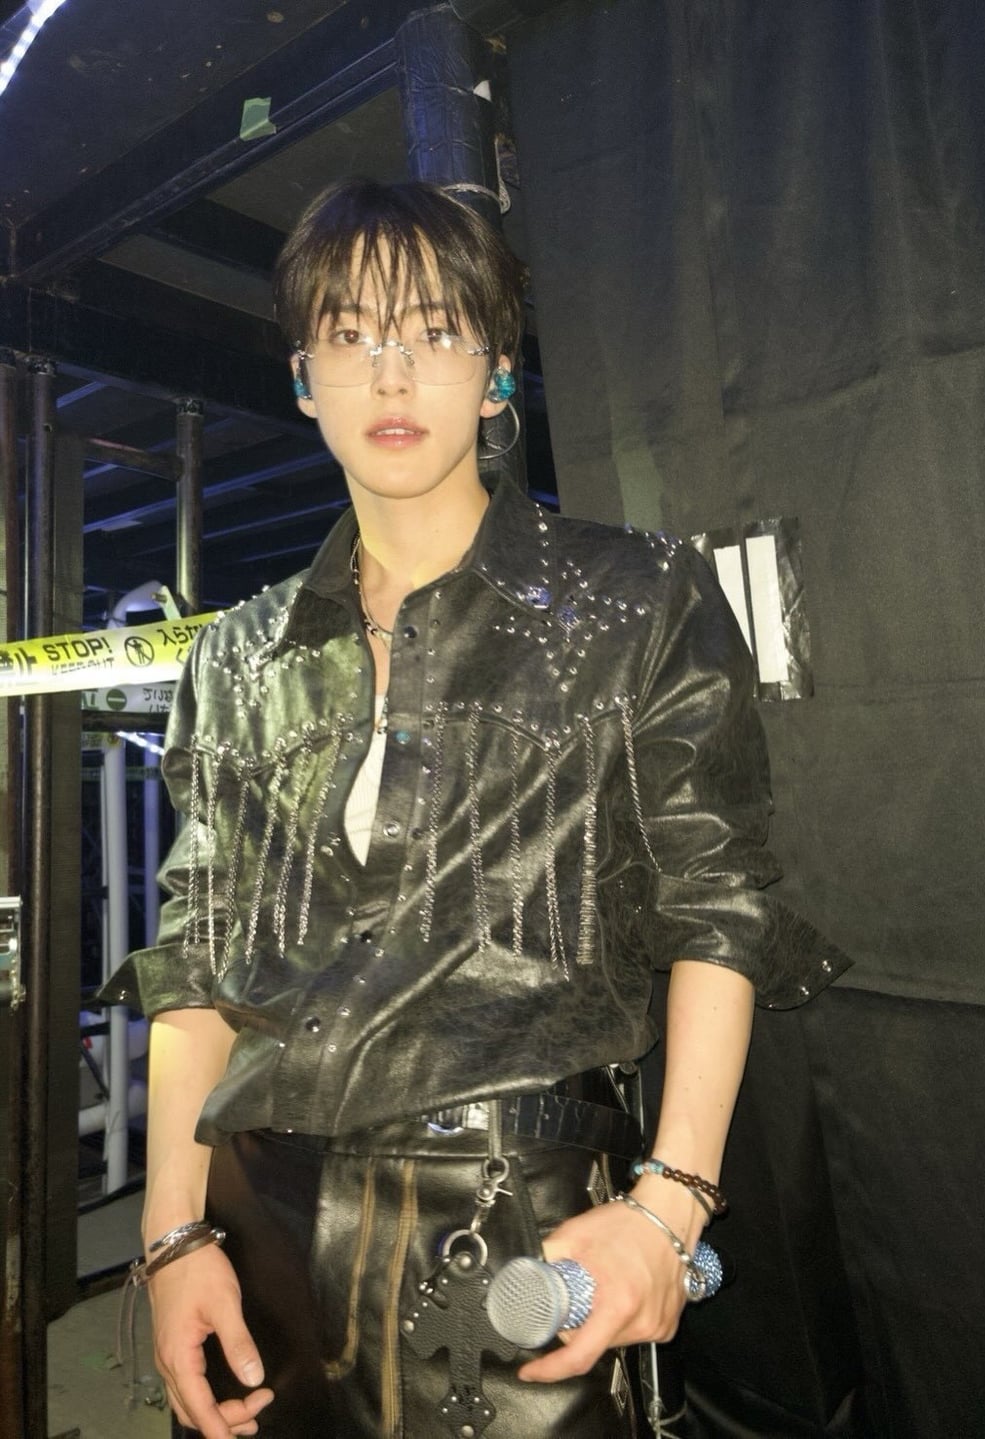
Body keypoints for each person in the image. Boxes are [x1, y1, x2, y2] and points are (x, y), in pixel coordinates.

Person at [101, 178, 846, 1439]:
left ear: (497, 371)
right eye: (350, 334)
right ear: (304, 376)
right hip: (257, 1230)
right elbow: (198, 961)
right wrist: (172, 1232)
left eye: (434, 331)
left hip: (509, 1227)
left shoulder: (636, 599)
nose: (391, 374)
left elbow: (717, 907)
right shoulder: (236, 654)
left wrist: (671, 1201)